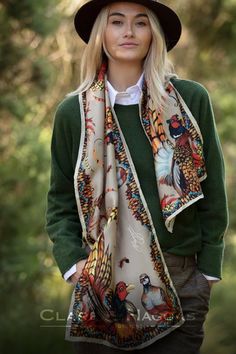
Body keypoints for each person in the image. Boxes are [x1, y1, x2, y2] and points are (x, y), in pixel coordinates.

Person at [46, 0, 229, 353]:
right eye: (117, 22)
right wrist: (74, 264)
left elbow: (213, 193)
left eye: (140, 23)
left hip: (181, 280)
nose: (128, 32)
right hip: (104, 280)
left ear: (153, 35)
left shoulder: (190, 100)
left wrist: (206, 273)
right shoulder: (73, 113)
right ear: (102, 34)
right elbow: (59, 202)